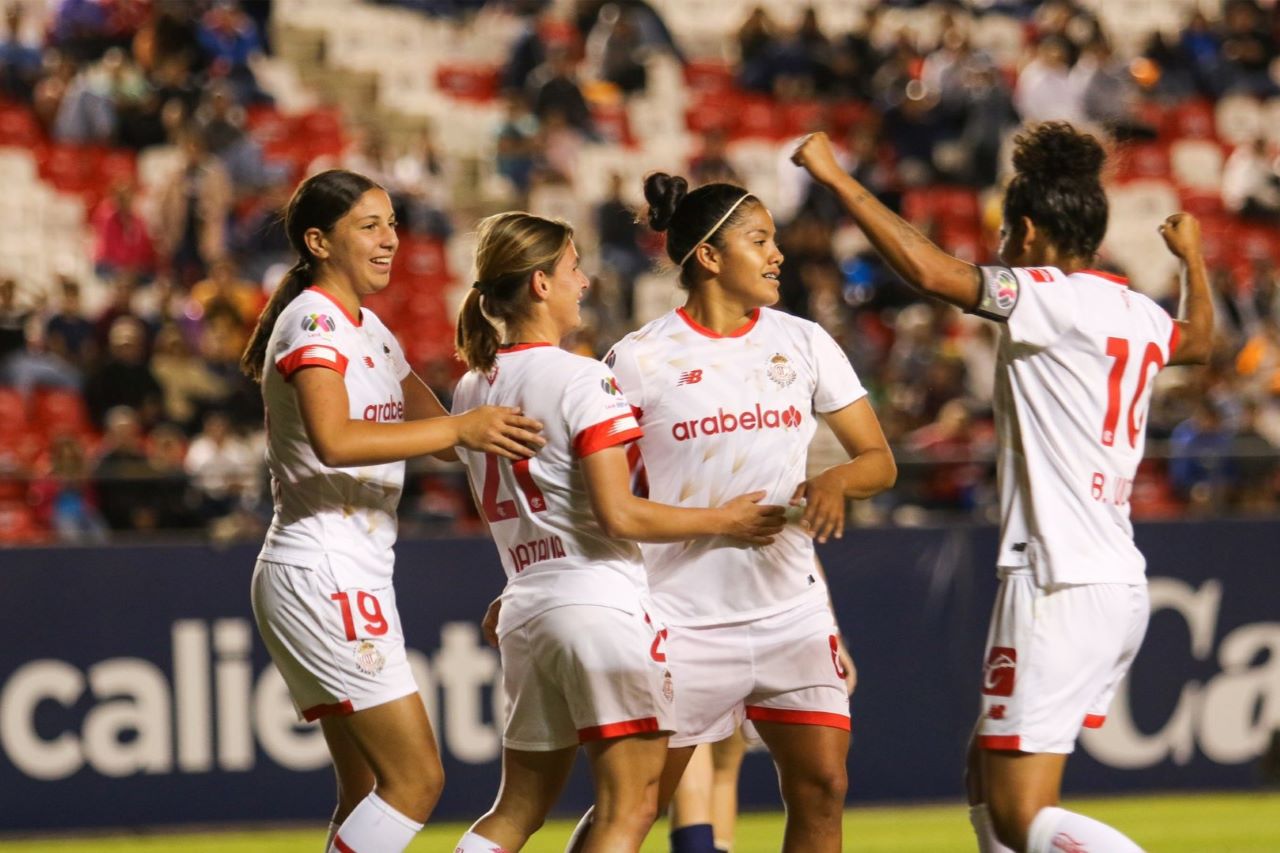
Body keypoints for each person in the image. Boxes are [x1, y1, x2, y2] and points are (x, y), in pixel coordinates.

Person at [792, 124, 1214, 853]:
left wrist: (836, 179)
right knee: (985, 775)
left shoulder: (1046, 295)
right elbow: (1200, 341)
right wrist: (1194, 261)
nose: (999, 249)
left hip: (1058, 578)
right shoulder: (1140, 313)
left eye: (1004, 235)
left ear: (1027, 230)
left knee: (1024, 814)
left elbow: (930, 271)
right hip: (1111, 575)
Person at [570, 171, 897, 853]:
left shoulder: (804, 340)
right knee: (634, 807)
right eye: (760, 239)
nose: (777, 254)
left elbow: (879, 459)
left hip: (791, 609)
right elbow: (600, 503)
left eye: (774, 240)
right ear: (711, 257)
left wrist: (836, 479)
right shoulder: (637, 359)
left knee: (822, 787)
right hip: (681, 616)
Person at [450, 211, 787, 853]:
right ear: (542, 284)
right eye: (574, 268)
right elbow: (620, 516)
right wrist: (728, 519)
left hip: (525, 604)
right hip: (599, 601)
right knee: (629, 807)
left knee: (515, 812)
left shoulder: (473, 386)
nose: (585, 281)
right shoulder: (581, 378)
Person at [240, 169, 546, 853]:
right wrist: (462, 431)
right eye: (369, 226)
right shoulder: (312, 319)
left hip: (347, 567)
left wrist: (527, 383)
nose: (389, 241)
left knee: (369, 790)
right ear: (318, 241)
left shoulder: (370, 329)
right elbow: (338, 439)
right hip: (323, 566)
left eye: (392, 224)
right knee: (416, 780)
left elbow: (441, 434)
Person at [667, 558, 858, 853]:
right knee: (644, 793)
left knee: (722, 764)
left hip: (773, 612)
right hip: (685, 612)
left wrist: (831, 629)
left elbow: (801, 543)